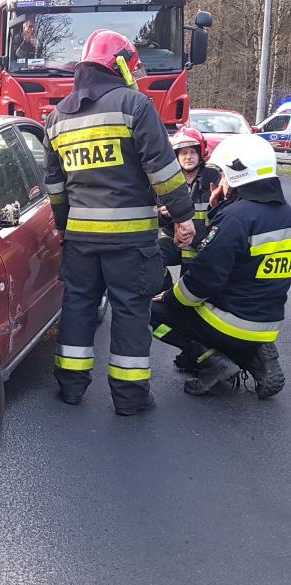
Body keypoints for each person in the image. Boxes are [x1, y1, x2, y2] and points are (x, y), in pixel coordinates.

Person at [44, 29, 195, 415]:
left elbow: (55, 187)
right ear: (121, 65)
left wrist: (64, 225)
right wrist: (182, 217)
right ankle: (129, 400)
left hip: (80, 240)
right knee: (129, 312)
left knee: (78, 307)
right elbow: (163, 172)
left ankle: (71, 388)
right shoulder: (135, 106)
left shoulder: (57, 118)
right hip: (129, 242)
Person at [151, 134, 290, 398]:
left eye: (224, 175)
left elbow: (202, 282)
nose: (221, 181)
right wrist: (220, 210)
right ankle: (253, 354)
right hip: (267, 321)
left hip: (229, 323)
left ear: (237, 175)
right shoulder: (286, 215)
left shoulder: (236, 218)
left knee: (149, 313)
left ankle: (211, 359)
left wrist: (169, 298)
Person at [158, 127, 221, 372]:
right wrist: (163, 217)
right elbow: (152, 216)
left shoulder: (214, 177)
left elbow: (224, 216)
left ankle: (198, 350)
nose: (187, 157)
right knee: (152, 256)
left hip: (205, 247)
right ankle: (165, 298)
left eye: (192, 152)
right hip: (174, 242)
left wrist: (197, 240)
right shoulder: (166, 181)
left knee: (196, 297)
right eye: (182, 153)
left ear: (200, 152)